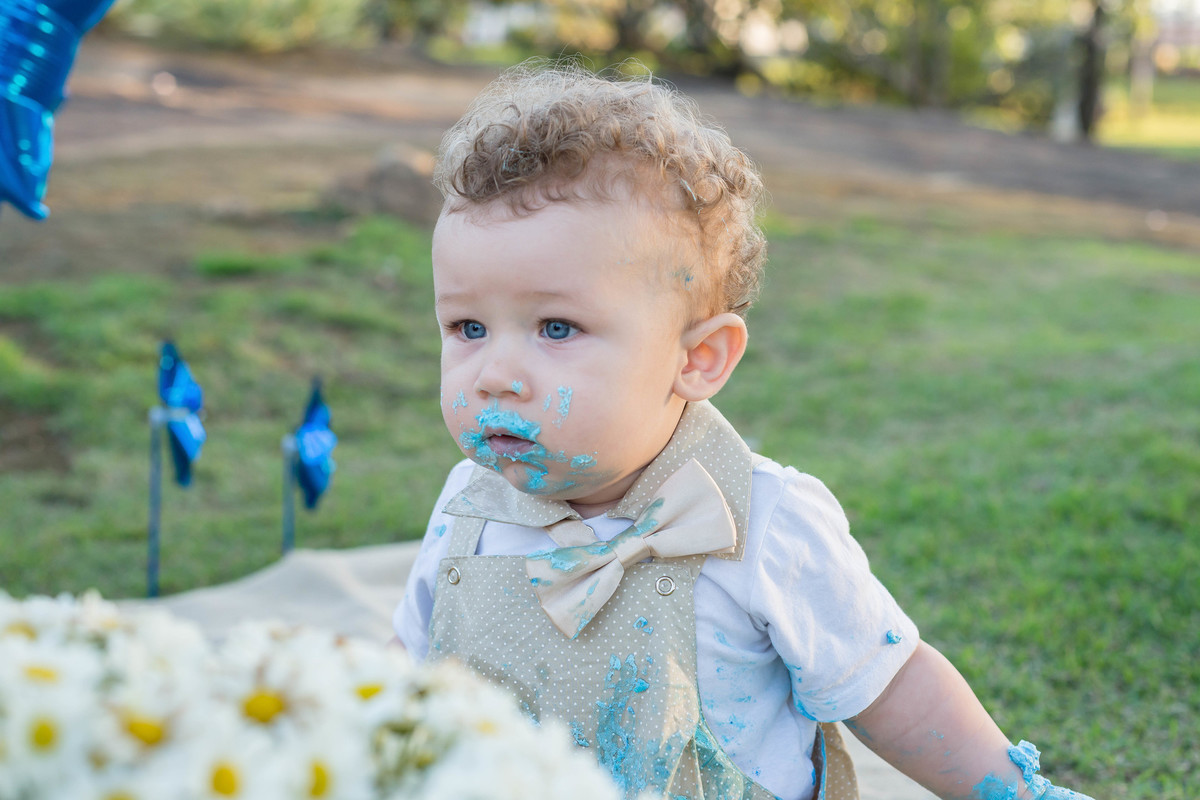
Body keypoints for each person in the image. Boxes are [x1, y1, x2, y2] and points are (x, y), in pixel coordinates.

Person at [392, 60, 1093, 800]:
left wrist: (1015, 792)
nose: (494, 374)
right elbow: (406, 674)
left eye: (556, 327)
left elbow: (889, 687)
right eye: (467, 326)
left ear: (697, 358)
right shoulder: (464, 510)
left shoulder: (764, 522)